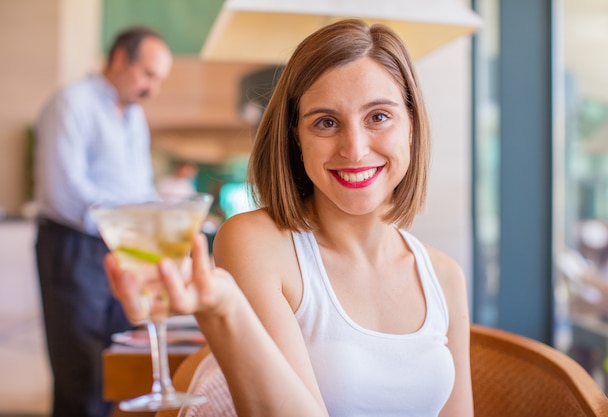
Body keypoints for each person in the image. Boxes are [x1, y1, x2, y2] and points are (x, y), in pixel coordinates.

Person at [106, 19, 473, 416]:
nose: (354, 148)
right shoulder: (257, 243)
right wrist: (224, 308)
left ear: (412, 126)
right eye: (326, 122)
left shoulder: (445, 276)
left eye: (378, 116)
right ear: (296, 138)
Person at [34, 26, 172, 417]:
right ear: (117, 61)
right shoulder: (72, 103)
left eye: (159, 79)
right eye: (148, 75)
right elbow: (64, 190)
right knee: (81, 367)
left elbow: (140, 186)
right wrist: (129, 224)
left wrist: (160, 216)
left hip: (123, 246)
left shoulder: (134, 117)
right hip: (75, 245)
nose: (153, 88)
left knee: (119, 355)